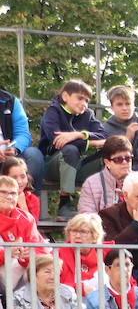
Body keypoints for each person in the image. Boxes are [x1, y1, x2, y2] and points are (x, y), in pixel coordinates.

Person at [38, 79, 107, 218]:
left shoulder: (87, 114)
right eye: (80, 98)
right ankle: (64, 203)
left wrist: (78, 135)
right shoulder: (52, 112)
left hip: (75, 166)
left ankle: (106, 205)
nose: (84, 104)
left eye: (87, 100)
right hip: (52, 165)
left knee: (111, 152)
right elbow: (58, 142)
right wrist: (91, 142)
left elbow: (105, 137)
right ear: (65, 96)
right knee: (70, 150)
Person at [0, 82, 48, 189]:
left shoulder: (10, 101)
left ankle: (29, 201)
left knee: (34, 155)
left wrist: (15, 148)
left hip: (10, 158)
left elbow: (23, 133)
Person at [77, 136, 136, 214]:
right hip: (101, 225)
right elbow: (86, 217)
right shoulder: (91, 183)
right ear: (107, 162)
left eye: (128, 158)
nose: (125, 162)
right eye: (118, 159)